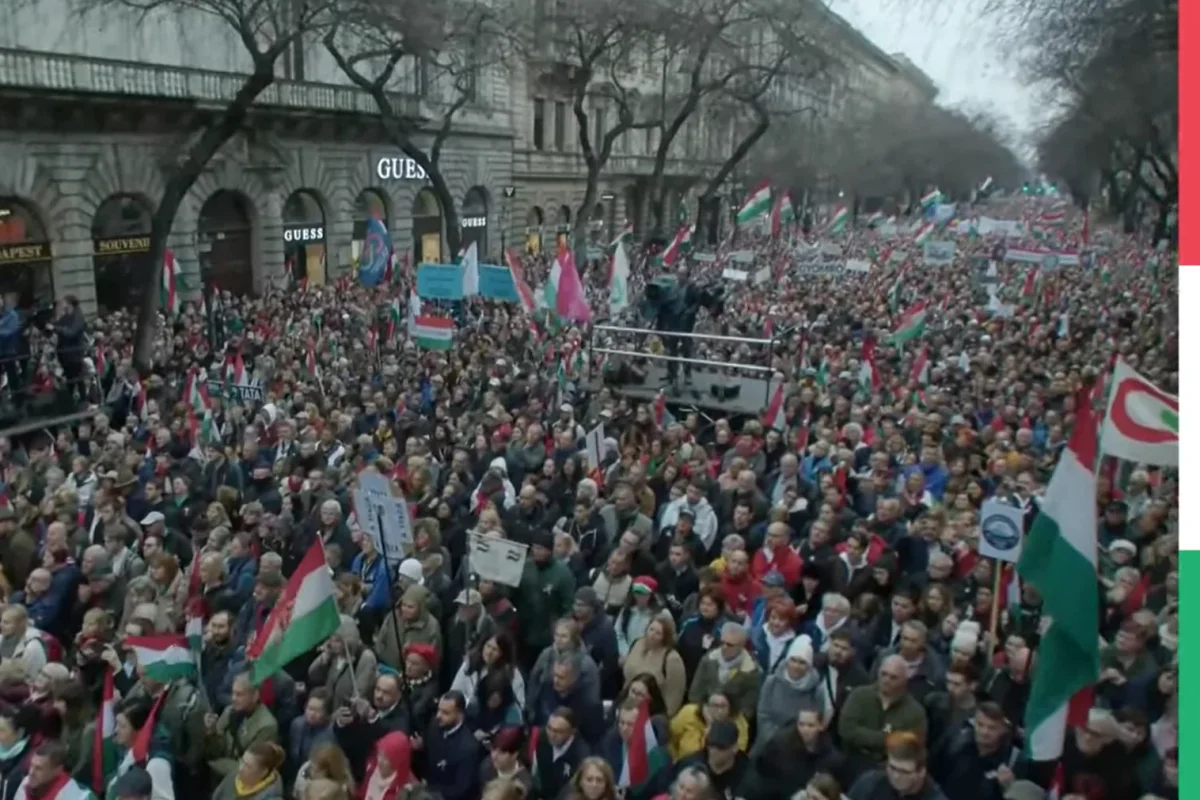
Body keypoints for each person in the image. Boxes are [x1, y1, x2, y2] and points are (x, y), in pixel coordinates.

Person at [847, 733, 948, 800]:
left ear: (921, 772)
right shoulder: (870, 782)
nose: (896, 776)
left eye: (903, 771)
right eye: (892, 767)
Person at [422, 693, 481, 800]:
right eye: (439, 710)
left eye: (445, 713)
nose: (438, 716)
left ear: (460, 714)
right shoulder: (434, 725)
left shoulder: (468, 747)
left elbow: (461, 788)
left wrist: (430, 793)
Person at [210, 742, 286, 800]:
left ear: (263, 772)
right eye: (242, 761)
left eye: (248, 766)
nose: (240, 768)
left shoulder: (271, 797)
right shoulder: (234, 776)